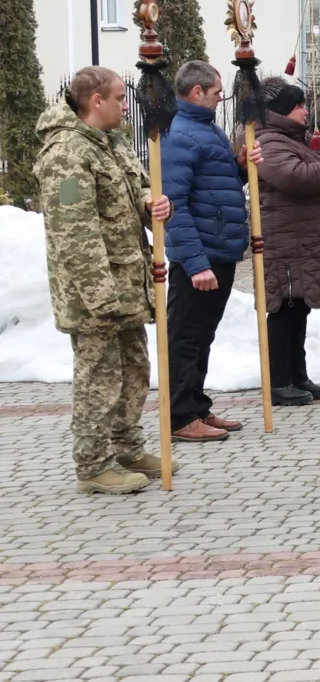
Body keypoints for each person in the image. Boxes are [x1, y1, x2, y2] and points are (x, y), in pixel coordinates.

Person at [35, 67, 174, 494]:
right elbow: (74, 232)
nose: (126, 105)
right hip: (94, 293)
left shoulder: (111, 143)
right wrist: (101, 298)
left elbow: (133, 192)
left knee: (134, 369)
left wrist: (152, 202)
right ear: (96, 100)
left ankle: (125, 446)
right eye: (119, 97)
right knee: (100, 377)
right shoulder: (68, 154)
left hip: (126, 283)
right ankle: (93, 465)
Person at [161, 60, 260, 442]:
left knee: (203, 334)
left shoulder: (206, 129)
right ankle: (180, 417)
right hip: (199, 256)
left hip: (217, 248)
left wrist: (237, 167)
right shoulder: (181, 134)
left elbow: (214, 185)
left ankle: (196, 407)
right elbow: (176, 203)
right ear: (197, 92)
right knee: (186, 336)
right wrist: (195, 262)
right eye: (217, 92)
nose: (222, 98)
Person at [254, 77, 320, 404]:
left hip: (299, 241)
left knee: (297, 312)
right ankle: (279, 381)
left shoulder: (287, 138)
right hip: (286, 243)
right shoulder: (267, 141)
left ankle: (297, 375)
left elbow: (311, 165)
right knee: (283, 311)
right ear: (282, 110)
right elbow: (295, 177)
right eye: (298, 106)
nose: (305, 111)